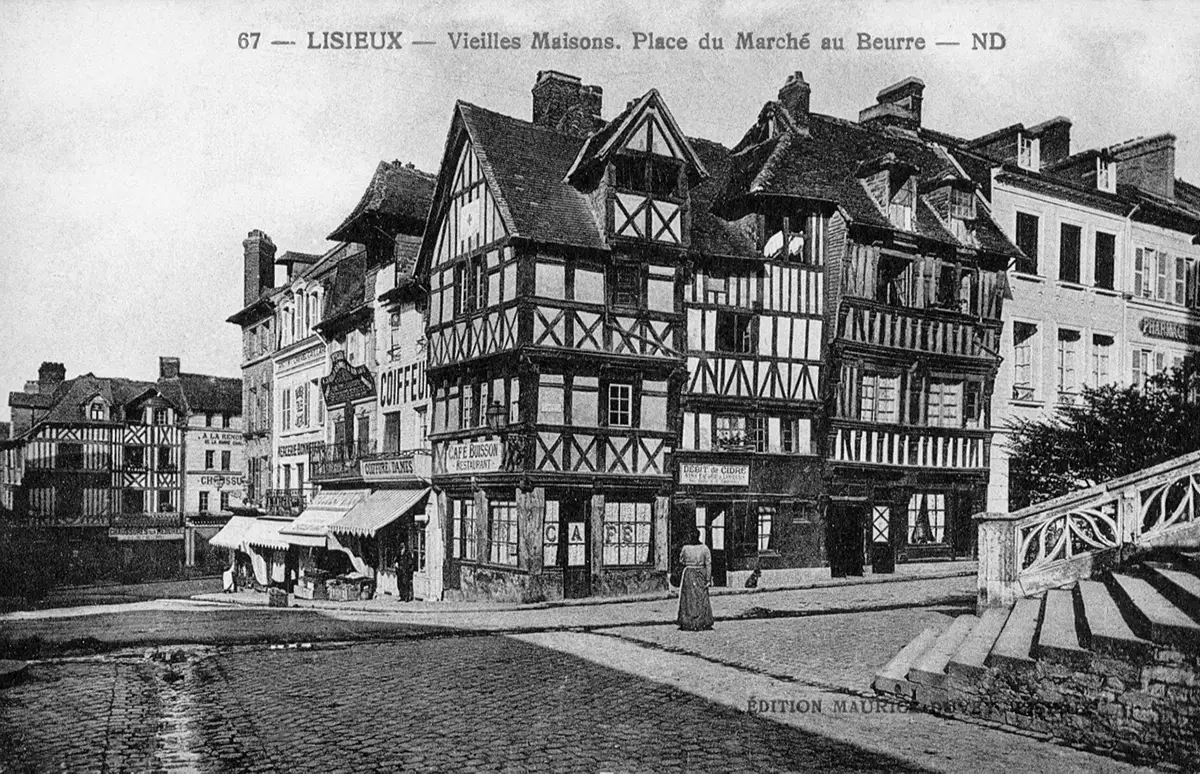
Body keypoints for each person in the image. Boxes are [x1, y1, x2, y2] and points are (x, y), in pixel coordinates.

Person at [676, 528, 714, 631]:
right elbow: (708, 564)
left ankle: (688, 621)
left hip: (689, 574)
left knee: (689, 598)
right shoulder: (704, 548)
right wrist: (708, 579)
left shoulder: (685, 548)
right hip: (700, 573)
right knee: (700, 596)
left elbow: (681, 560)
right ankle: (701, 621)